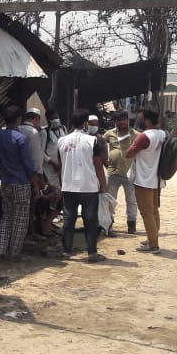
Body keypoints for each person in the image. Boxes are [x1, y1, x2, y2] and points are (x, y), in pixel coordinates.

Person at [0, 105, 38, 262]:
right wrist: (34, 182)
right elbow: (27, 164)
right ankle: (14, 253)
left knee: (6, 216)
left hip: (5, 181)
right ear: (18, 120)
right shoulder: (21, 139)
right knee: (21, 218)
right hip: (21, 181)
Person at [57, 110, 108, 262]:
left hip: (68, 186)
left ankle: (66, 251)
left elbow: (60, 165)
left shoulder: (62, 141)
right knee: (90, 220)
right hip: (88, 187)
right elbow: (98, 165)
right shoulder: (92, 141)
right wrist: (103, 185)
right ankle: (92, 253)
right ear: (85, 123)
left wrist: (62, 184)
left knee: (68, 220)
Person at [125, 109, 167, 255]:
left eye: (142, 118)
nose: (140, 121)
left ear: (148, 120)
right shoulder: (163, 134)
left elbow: (129, 153)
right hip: (157, 179)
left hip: (143, 179)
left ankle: (153, 245)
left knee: (146, 213)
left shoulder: (144, 136)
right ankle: (152, 239)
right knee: (154, 211)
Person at [104, 111, 140, 235]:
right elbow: (100, 145)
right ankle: (108, 224)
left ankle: (131, 224)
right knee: (110, 200)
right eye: (119, 120)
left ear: (128, 120)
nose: (122, 122)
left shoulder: (136, 135)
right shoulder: (109, 134)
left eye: (124, 119)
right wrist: (104, 160)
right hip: (113, 173)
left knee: (131, 200)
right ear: (115, 122)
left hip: (129, 174)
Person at [18, 108, 47, 184]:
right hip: (31, 173)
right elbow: (36, 156)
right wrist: (38, 174)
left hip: (18, 170)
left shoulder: (18, 129)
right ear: (37, 119)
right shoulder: (33, 132)